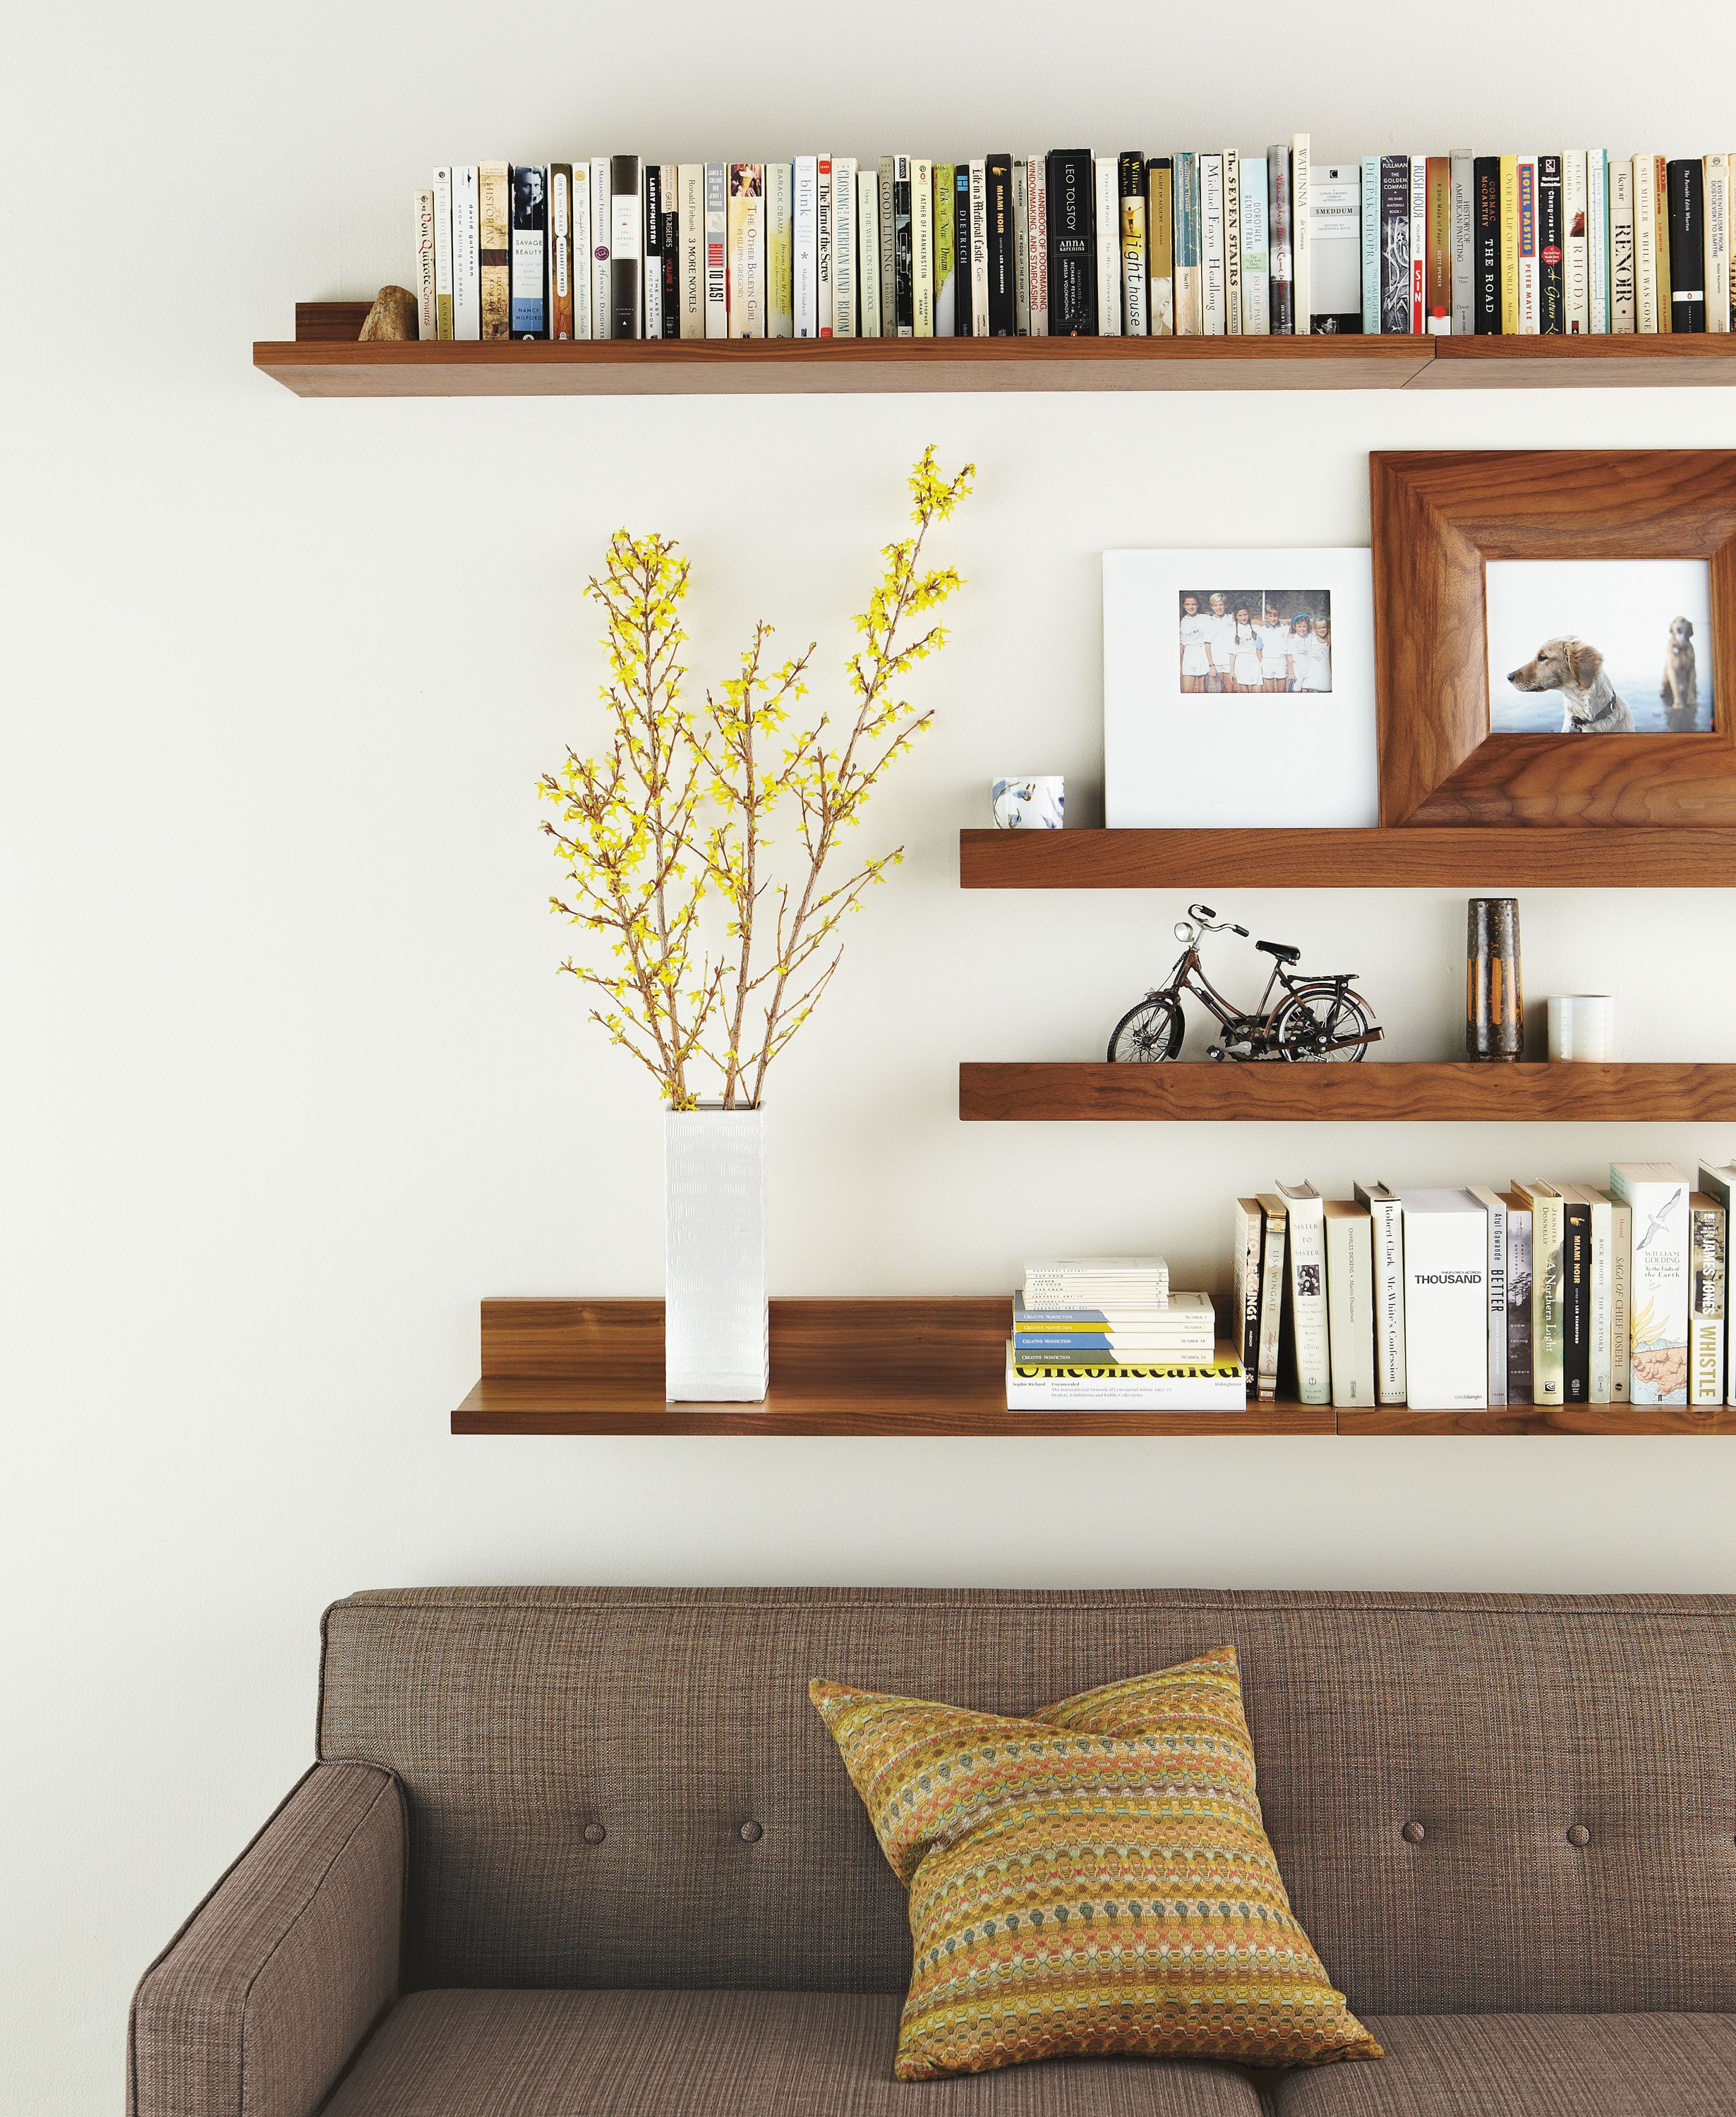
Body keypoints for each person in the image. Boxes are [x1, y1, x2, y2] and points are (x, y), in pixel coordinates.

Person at [1178, 592, 1212, 692]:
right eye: (1188, 604)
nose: (1191, 607)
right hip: (1188, 660)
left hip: (1204, 659)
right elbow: (1181, 646)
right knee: (1187, 691)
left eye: (1193, 604)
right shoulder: (1181, 621)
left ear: (1198, 605)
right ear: (1183, 605)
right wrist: (1180, 666)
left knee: (1203, 692)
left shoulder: (1206, 618)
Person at [1258, 600, 1292, 692]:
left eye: (1275, 616)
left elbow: (1294, 631)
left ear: (1279, 616)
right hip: (1267, 664)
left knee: (1282, 691)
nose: (1273, 619)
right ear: (1266, 616)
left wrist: (1290, 630)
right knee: (1270, 692)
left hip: (1281, 662)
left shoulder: (1285, 628)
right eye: (1270, 616)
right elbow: (1258, 649)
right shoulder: (1261, 630)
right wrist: (1263, 663)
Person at [1203, 591, 1234, 692]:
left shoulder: (1232, 618)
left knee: (1231, 690)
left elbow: (1249, 621)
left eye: (1221, 604)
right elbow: (1207, 645)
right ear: (1212, 607)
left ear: (1225, 605)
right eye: (1215, 605)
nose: (1218, 608)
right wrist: (1212, 665)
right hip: (1216, 665)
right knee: (1219, 693)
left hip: (1231, 663)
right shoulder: (1209, 622)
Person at [1229, 603, 1262, 693]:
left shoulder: (1255, 626)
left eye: (1245, 615)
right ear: (1236, 616)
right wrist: (1232, 671)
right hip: (1241, 665)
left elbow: (1268, 626)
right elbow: (1232, 653)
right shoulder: (1232, 629)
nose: (1243, 618)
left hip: (1255, 663)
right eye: (1240, 615)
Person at [1286, 611, 1316, 692]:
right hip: (1297, 672)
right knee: (1296, 694)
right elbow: (1289, 657)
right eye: (1299, 626)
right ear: (1294, 626)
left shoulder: (1311, 636)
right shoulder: (1291, 638)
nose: (1302, 629)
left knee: (1305, 692)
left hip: (1309, 671)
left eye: (1304, 626)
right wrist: (1291, 672)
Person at [1306, 614, 1332, 693]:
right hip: (1314, 676)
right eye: (1319, 628)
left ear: (1328, 628)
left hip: (1326, 675)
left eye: (1324, 627)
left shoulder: (1330, 639)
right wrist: (1291, 633)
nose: (1322, 630)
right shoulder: (1313, 637)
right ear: (1315, 629)